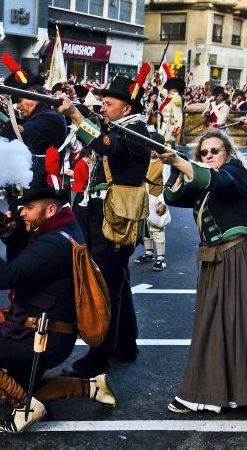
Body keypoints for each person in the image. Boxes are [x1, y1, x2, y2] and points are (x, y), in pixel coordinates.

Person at [0, 184, 117, 433]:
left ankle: (25, 408)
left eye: (29, 208)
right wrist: (4, 227)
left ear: (51, 209)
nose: (22, 213)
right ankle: (91, 387)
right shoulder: (62, 228)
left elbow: (5, 277)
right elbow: (32, 242)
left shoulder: (53, 243)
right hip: (49, 332)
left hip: (44, 338)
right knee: (19, 386)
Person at [158, 129, 247, 413]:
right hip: (220, 258)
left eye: (214, 151)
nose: (209, 156)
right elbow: (173, 197)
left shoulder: (235, 171)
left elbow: (217, 181)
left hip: (242, 256)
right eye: (203, 153)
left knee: (242, 324)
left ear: (227, 153)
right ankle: (228, 392)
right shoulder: (204, 180)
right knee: (220, 324)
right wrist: (176, 165)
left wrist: (186, 164)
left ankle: (227, 392)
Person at [56, 74, 151, 378]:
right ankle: (124, 344)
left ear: (127, 108)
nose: (103, 106)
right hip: (104, 210)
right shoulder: (122, 125)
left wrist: (74, 113)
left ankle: (98, 359)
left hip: (114, 215)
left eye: (109, 103)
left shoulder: (135, 129)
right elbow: (100, 134)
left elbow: (105, 145)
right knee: (116, 280)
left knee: (105, 285)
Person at [133, 132, 170, 272]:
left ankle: (161, 257)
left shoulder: (164, 164)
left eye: (155, 148)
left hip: (157, 199)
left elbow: (167, 184)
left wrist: (163, 202)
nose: (152, 151)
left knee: (157, 227)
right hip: (143, 198)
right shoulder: (143, 160)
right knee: (145, 228)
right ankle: (149, 253)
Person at [156, 77, 184, 148]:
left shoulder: (176, 98)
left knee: (168, 149)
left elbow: (179, 117)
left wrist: (175, 131)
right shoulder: (169, 96)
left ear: (173, 88)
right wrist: (158, 81)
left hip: (169, 129)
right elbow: (162, 90)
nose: (167, 89)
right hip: (162, 127)